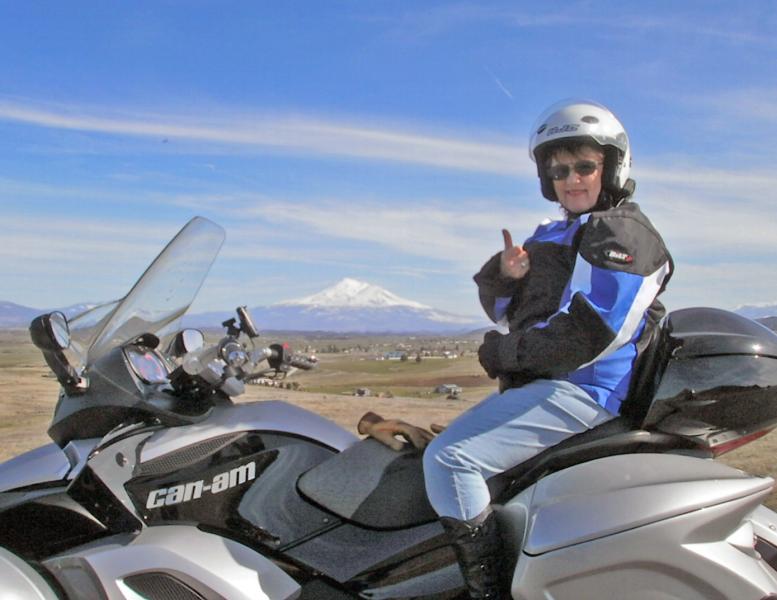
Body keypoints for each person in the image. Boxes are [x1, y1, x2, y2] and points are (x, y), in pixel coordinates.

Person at [419, 99, 673, 599]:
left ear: (612, 167)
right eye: (559, 170)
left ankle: (490, 592)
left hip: (585, 388)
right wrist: (506, 275)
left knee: (450, 461)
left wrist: (504, 355)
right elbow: (508, 315)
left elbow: (592, 331)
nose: (571, 179)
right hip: (549, 383)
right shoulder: (555, 233)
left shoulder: (622, 231)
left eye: (584, 167)